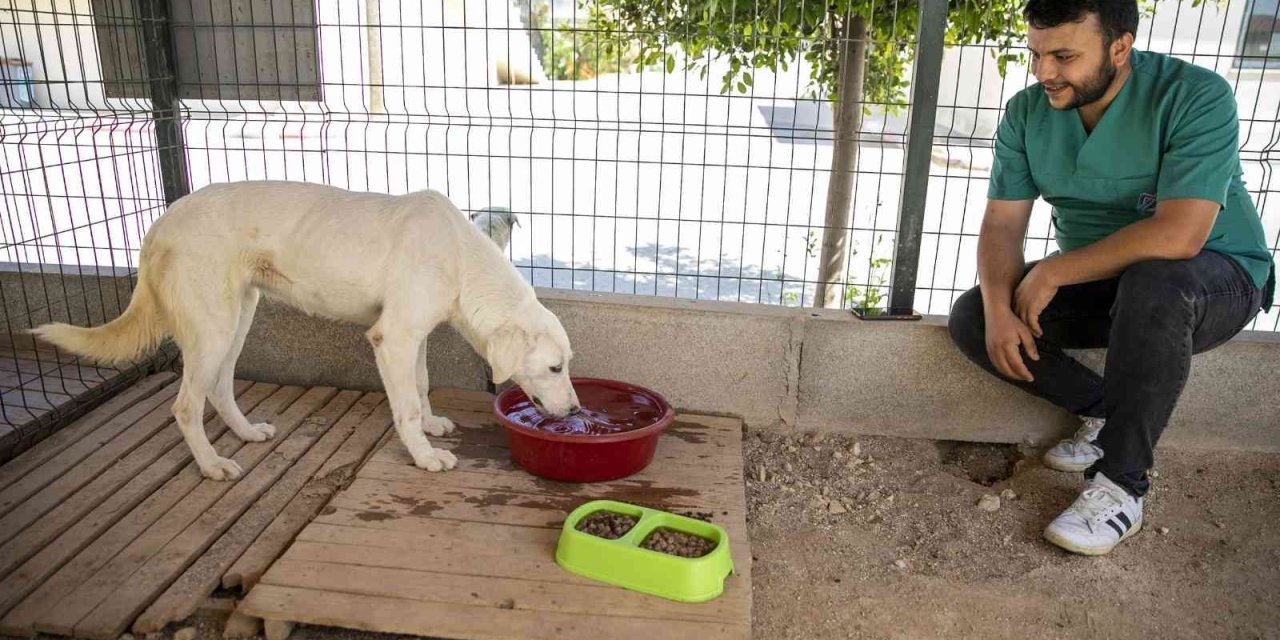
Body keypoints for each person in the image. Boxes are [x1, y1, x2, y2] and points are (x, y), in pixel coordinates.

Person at [947, 0, 1275, 556]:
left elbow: (1181, 235)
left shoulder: (1196, 96)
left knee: (1156, 283)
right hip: (1107, 278)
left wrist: (1055, 269)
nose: (1044, 72)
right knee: (975, 315)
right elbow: (1002, 224)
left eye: (1064, 56)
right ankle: (1105, 413)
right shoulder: (1027, 112)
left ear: (1120, 48)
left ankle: (1121, 487)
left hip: (1216, 275)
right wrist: (1000, 311)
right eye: (1035, 54)